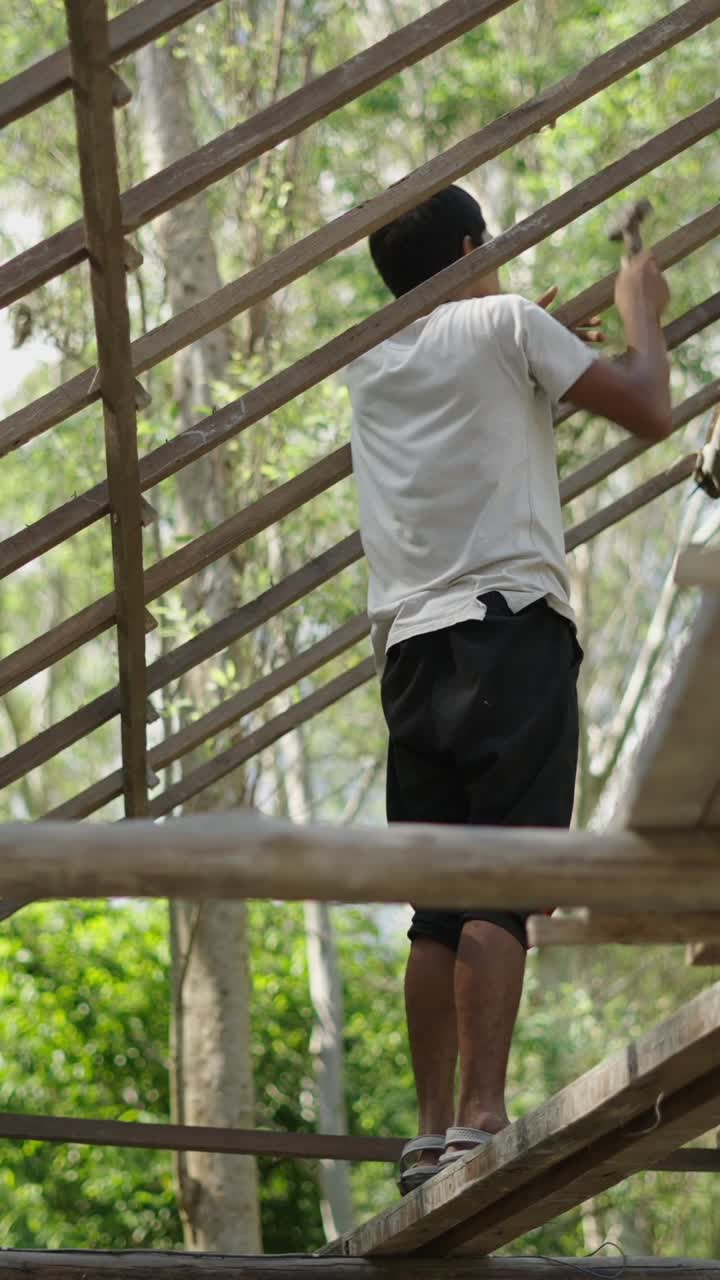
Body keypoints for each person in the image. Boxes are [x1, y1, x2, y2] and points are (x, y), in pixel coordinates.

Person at [345, 184, 671, 1195]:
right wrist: (639, 314)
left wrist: (536, 332)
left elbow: (477, 377)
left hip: (413, 652)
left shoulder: (371, 366)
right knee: (503, 879)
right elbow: (651, 410)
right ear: (477, 247)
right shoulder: (505, 323)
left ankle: (433, 1126)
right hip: (507, 632)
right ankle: (484, 1116)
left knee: (435, 905)